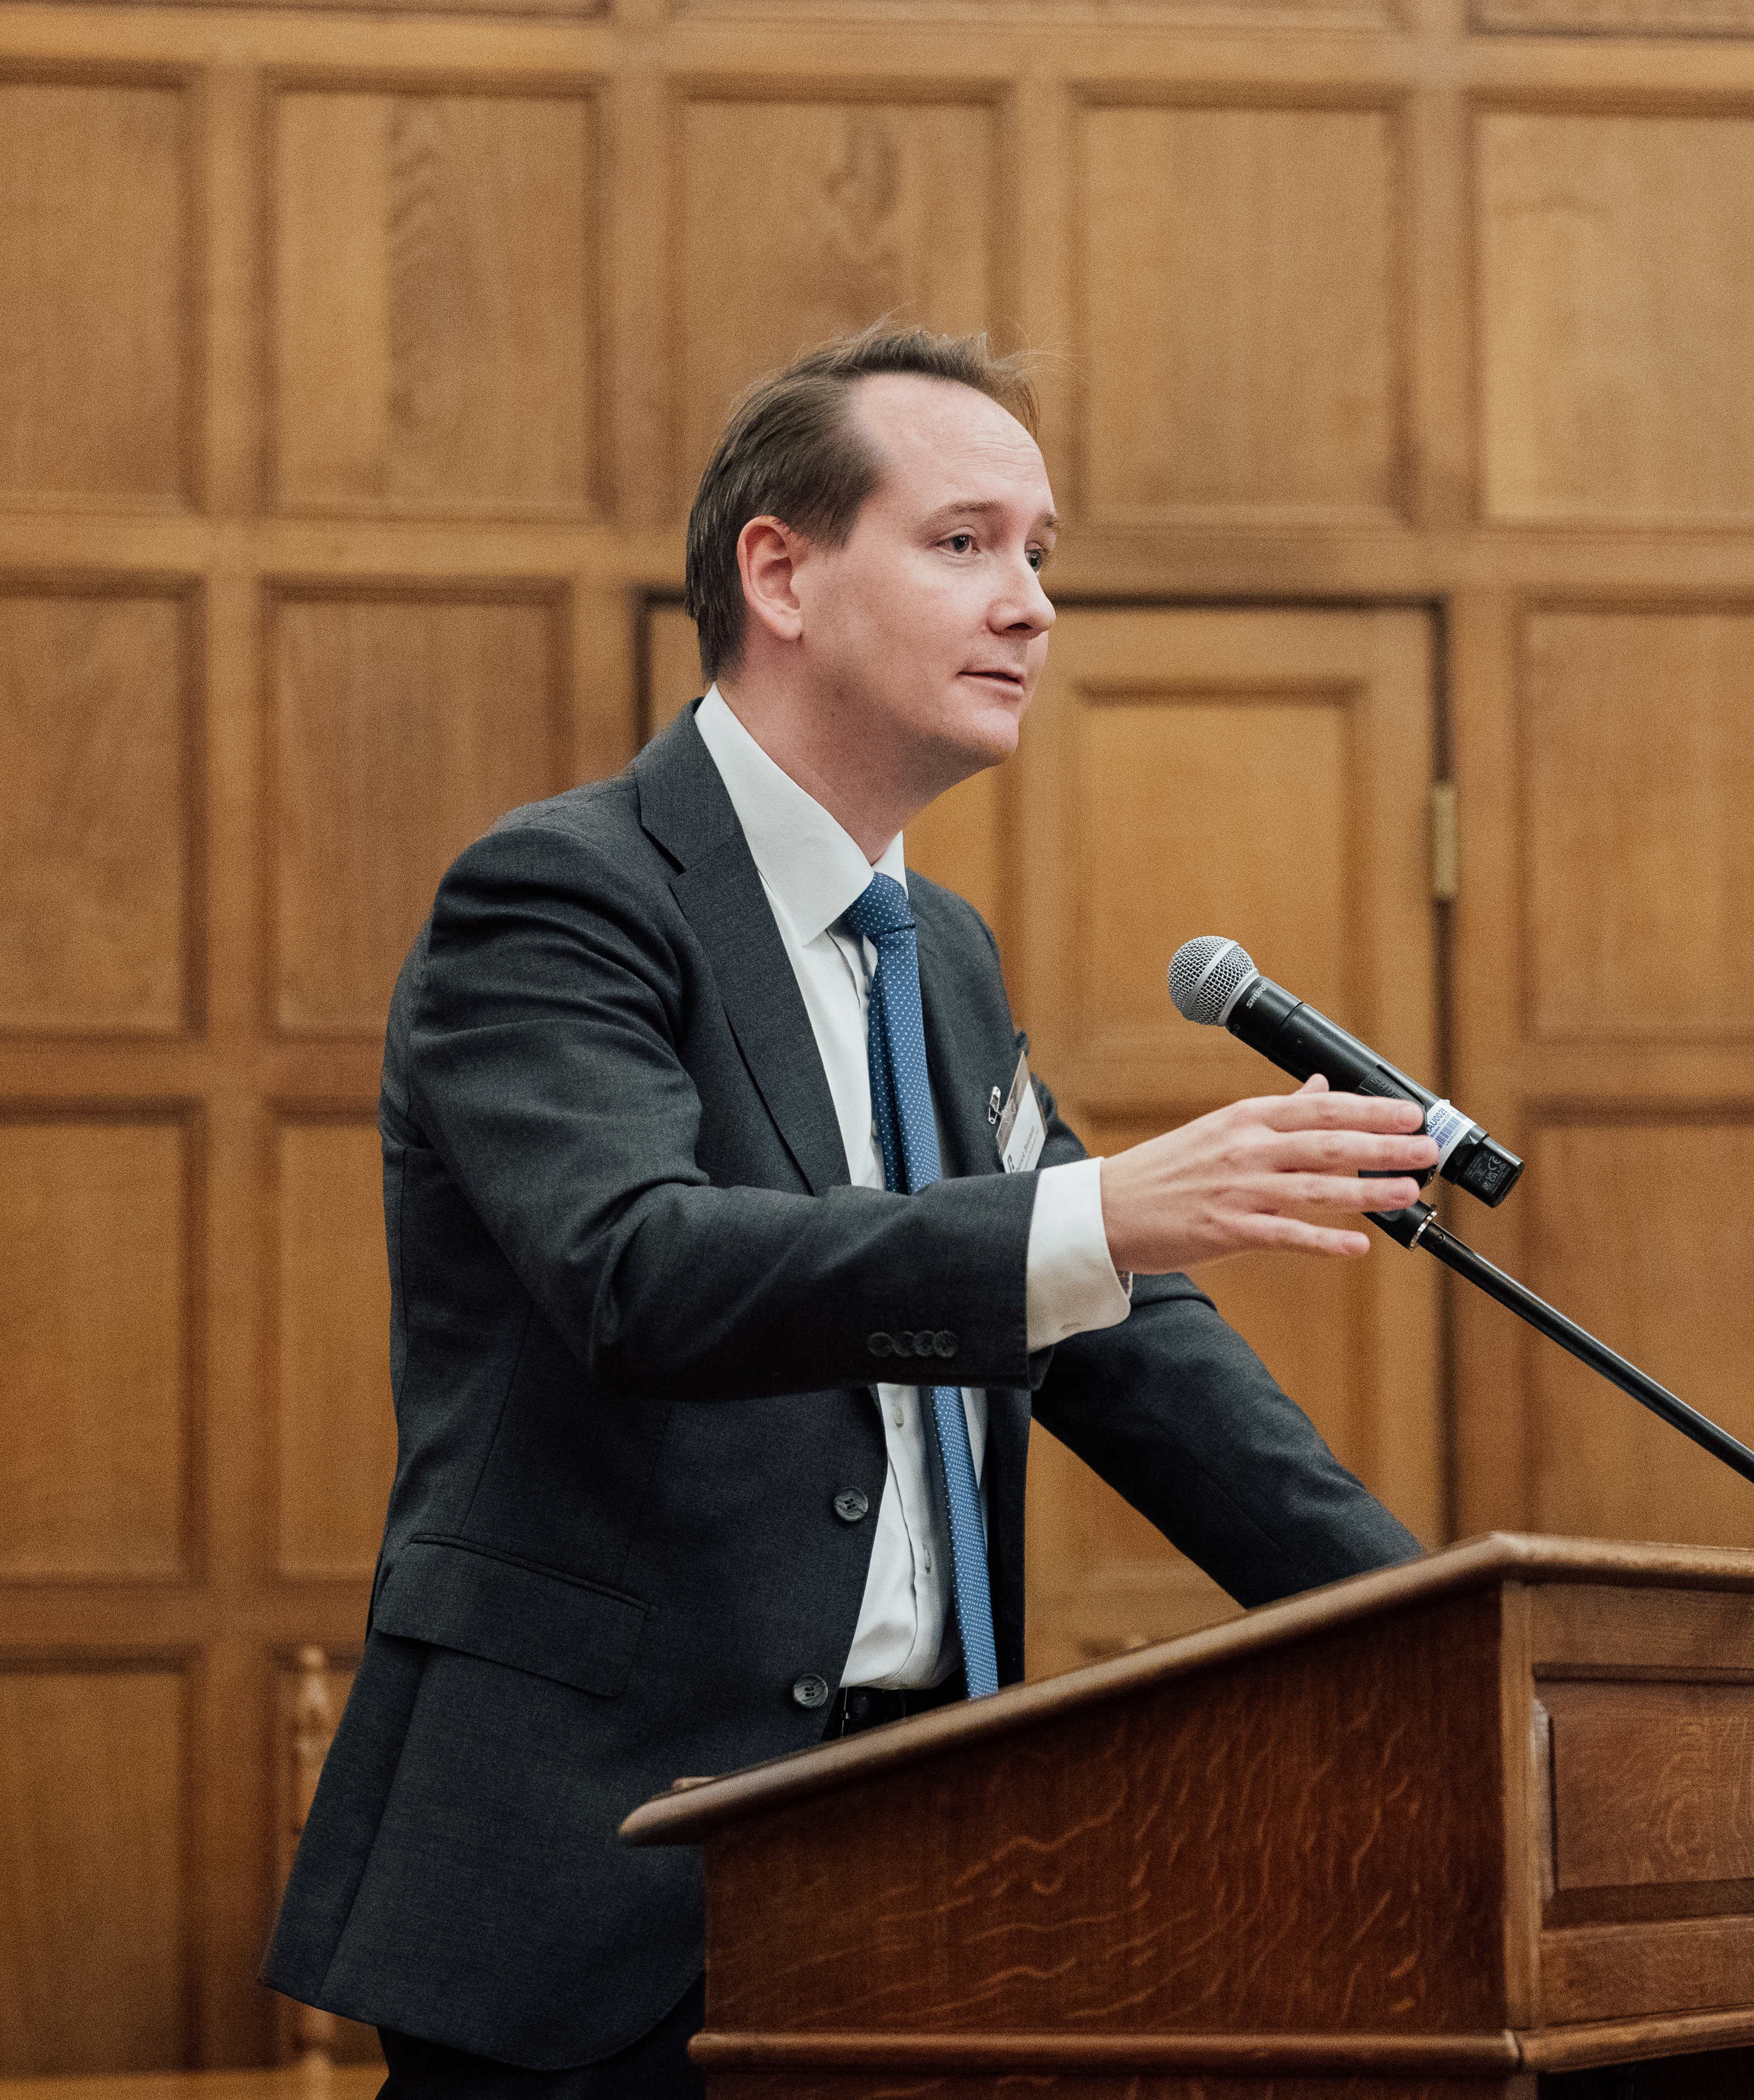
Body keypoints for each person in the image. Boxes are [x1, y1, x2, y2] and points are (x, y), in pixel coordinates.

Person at [261, 324, 1437, 2095]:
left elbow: (1124, 1349)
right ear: (780, 575)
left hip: (920, 1869)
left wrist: (1432, 1633)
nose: (1032, 601)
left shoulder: (936, 955)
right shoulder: (562, 898)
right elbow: (639, 1268)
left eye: (1042, 553)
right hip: (606, 1876)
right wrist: (1098, 1212)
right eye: (966, 543)